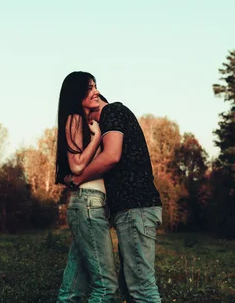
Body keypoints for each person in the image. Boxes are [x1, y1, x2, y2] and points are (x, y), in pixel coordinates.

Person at [66, 93, 163, 303]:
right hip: (136, 209)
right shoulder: (118, 115)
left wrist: (78, 179)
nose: (89, 122)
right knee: (132, 288)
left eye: (89, 116)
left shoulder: (112, 111)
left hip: (135, 208)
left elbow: (111, 156)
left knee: (142, 289)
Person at [55, 71, 118, 303]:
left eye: (96, 86)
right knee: (106, 285)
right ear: (77, 93)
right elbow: (77, 165)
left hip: (89, 204)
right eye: (90, 88)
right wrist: (96, 138)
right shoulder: (76, 119)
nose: (96, 92)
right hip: (89, 204)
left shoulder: (86, 122)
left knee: (73, 285)